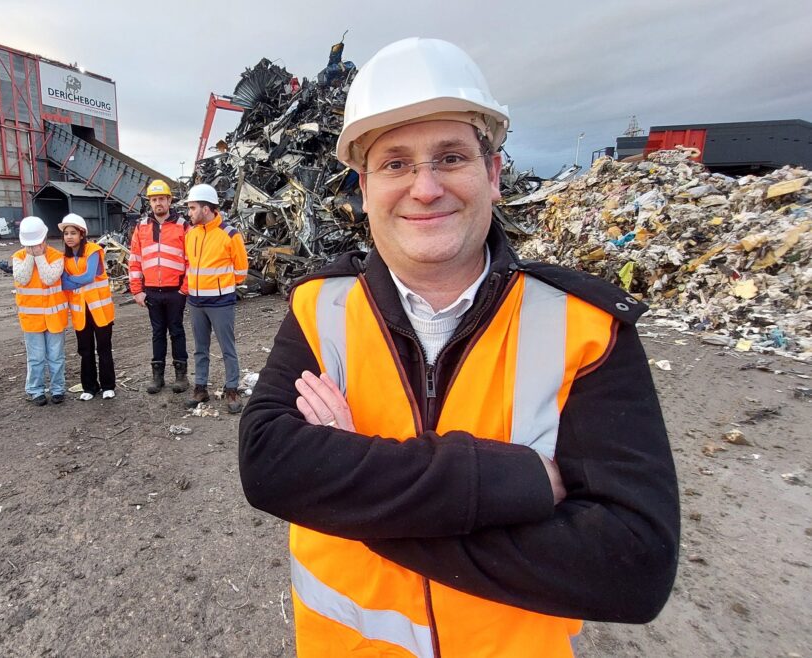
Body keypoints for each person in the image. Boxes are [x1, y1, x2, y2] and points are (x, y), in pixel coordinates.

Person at [238, 38, 680, 657]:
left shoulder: (583, 326)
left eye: (449, 158)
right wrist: (517, 482)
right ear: (363, 189)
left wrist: (354, 489)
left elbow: (631, 567)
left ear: (493, 175)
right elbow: (269, 467)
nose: (424, 188)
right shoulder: (321, 308)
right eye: (395, 164)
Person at [182, 184, 248, 414]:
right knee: (200, 348)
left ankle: (232, 390)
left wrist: (223, 287)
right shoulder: (191, 234)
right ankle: (200, 389)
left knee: (227, 348)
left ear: (206, 208)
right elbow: (190, 264)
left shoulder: (229, 234)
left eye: (192, 208)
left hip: (221, 303)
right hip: (196, 302)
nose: (189, 213)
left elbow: (241, 270)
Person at [129, 179, 190, 394]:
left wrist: (185, 288)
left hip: (175, 291)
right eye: (154, 200)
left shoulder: (183, 225)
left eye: (161, 199)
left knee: (177, 332)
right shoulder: (141, 227)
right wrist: (137, 290)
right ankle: (158, 376)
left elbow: (191, 260)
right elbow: (135, 259)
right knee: (157, 333)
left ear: (169, 200)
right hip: (152, 291)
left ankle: (181, 376)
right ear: (150, 202)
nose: (158, 203)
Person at [11, 216, 68, 406]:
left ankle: (58, 389)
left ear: (44, 240)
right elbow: (23, 278)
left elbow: (49, 277)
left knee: (56, 356)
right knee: (35, 358)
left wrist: (40, 257)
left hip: (54, 318)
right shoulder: (19, 257)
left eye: (37, 244)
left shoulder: (57, 257)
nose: (34, 247)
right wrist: (30, 256)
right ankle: (35, 390)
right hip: (32, 320)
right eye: (30, 245)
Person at [58, 214, 116, 400]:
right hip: (80, 313)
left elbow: (88, 276)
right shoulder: (64, 258)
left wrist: (71, 280)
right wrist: (74, 281)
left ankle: (108, 385)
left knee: (104, 348)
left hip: (100, 310)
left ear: (82, 234)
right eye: (66, 233)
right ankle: (89, 387)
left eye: (73, 233)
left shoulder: (93, 250)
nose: (69, 237)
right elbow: (63, 284)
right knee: (85, 350)